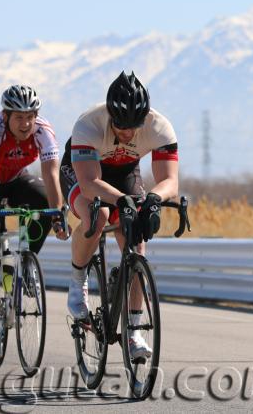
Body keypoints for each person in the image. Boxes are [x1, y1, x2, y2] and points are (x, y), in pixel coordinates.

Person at [59, 71, 179, 358]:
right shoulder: (88, 124)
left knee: (136, 242)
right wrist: (122, 200)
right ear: (109, 114)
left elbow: (170, 182)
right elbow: (88, 183)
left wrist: (153, 198)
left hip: (124, 173)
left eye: (133, 127)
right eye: (120, 126)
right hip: (84, 172)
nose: (126, 133)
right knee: (96, 216)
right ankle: (78, 283)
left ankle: (134, 332)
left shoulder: (160, 127)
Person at [0, 84, 68, 354]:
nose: (25, 124)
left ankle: (26, 261)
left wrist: (58, 215)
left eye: (30, 117)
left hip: (15, 178)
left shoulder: (44, 132)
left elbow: (51, 176)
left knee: (47, 203)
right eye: (19, 118)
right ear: (6, 116)